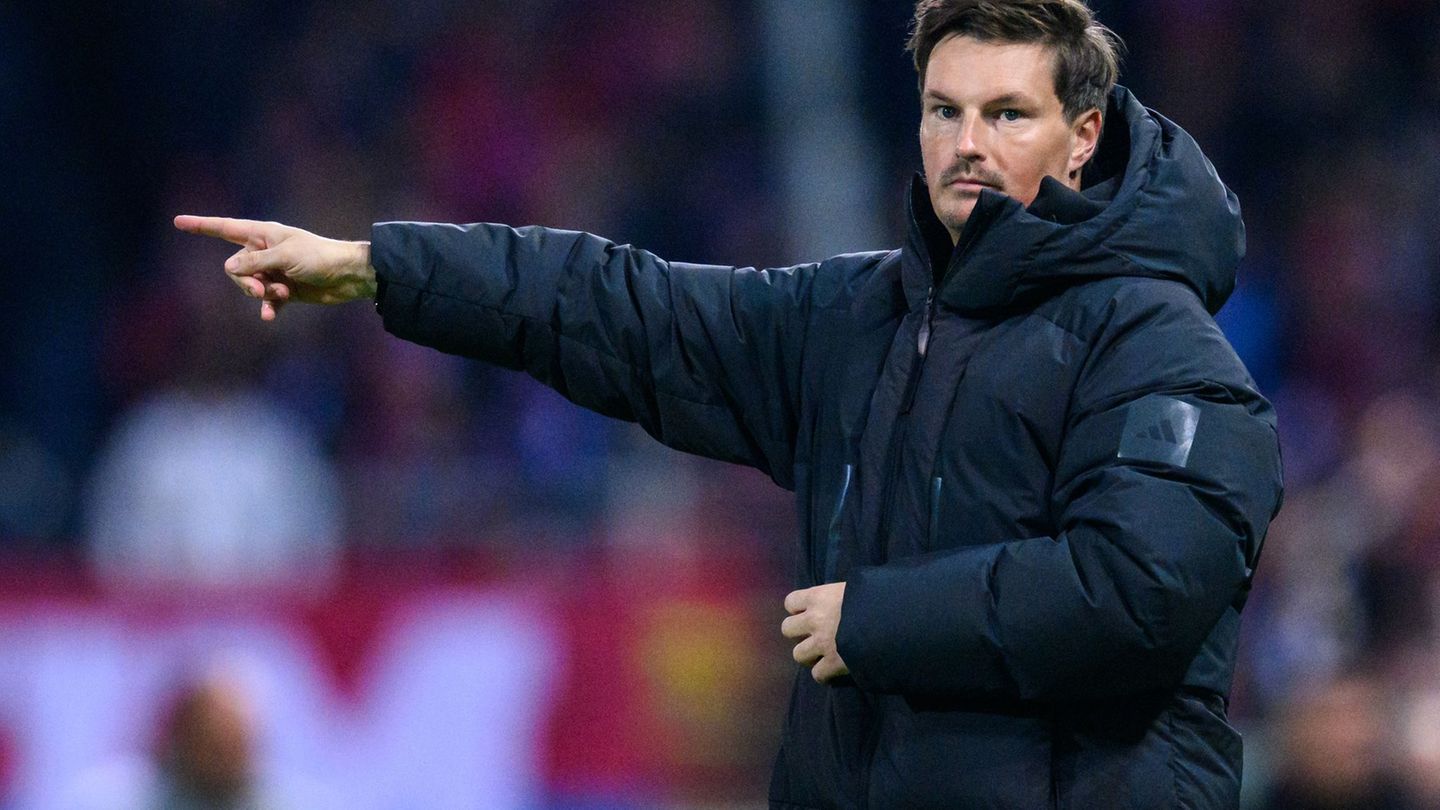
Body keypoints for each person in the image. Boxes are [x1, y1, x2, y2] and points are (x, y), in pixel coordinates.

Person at [175, 0, 1284, 806]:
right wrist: (383, 269)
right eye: (944, 110)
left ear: (1083, 136)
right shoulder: (859, 317)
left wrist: (882, 620)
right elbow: (623, 309)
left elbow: (1138, 592)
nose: (968, 145)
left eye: (1007, 113)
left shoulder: (1159, 345)